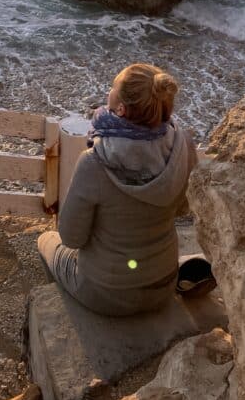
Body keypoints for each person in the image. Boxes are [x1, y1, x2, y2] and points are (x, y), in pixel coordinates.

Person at [37, 62, 198, 316]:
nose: (109, 91)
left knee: (45, 240)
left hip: (106, 294)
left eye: (113, 87)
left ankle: (66, 314)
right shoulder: (183, 145)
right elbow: (182, 208)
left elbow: (72, 238)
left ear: (121, 109)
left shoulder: (95, 161)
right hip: (163, 284)